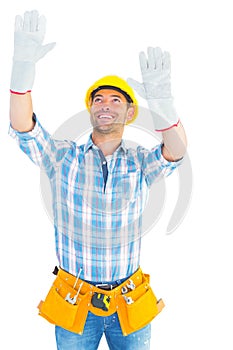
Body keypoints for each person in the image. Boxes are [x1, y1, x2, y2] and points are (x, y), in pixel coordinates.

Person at [9, 10, 187, 350]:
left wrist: (163, 102)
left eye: (116, 99)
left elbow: (176, 150)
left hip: (129, 302)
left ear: (130, 112)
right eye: (99, 99)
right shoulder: (62, 157)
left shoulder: (139, 162)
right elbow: (23, 126)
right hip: (74, 300)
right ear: (91, 109)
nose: (106, 105)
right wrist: (21, 67)